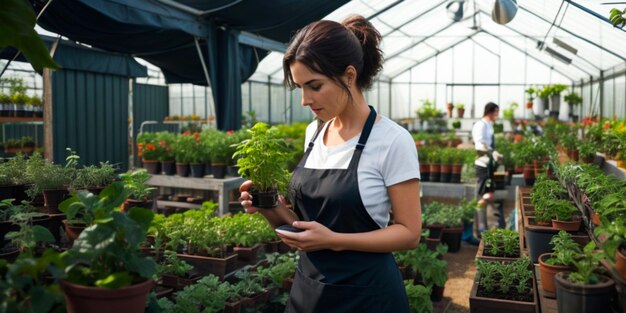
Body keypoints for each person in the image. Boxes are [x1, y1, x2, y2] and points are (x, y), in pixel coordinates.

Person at [239, 15, 422, 313]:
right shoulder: (314, 133)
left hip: (367, 295)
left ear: (349, 75)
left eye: (314, 86)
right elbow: (301, 225)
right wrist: (268, 205)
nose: (305, 100)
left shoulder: (392, 140)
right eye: (299, 87)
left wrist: (335, 240)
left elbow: (409, 232)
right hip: (310, 290)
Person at [470, 102, 501, 238]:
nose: (497, 115)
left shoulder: (489, 125)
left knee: (490, 194)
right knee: (484, 194)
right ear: (490, 111)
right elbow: (479, 144)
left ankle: (487, 226)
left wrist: (494, 153)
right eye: (496, 112)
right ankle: (481, 229)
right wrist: (492, 152)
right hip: (482, 164)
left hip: (489, 164)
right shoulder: (480, 125)